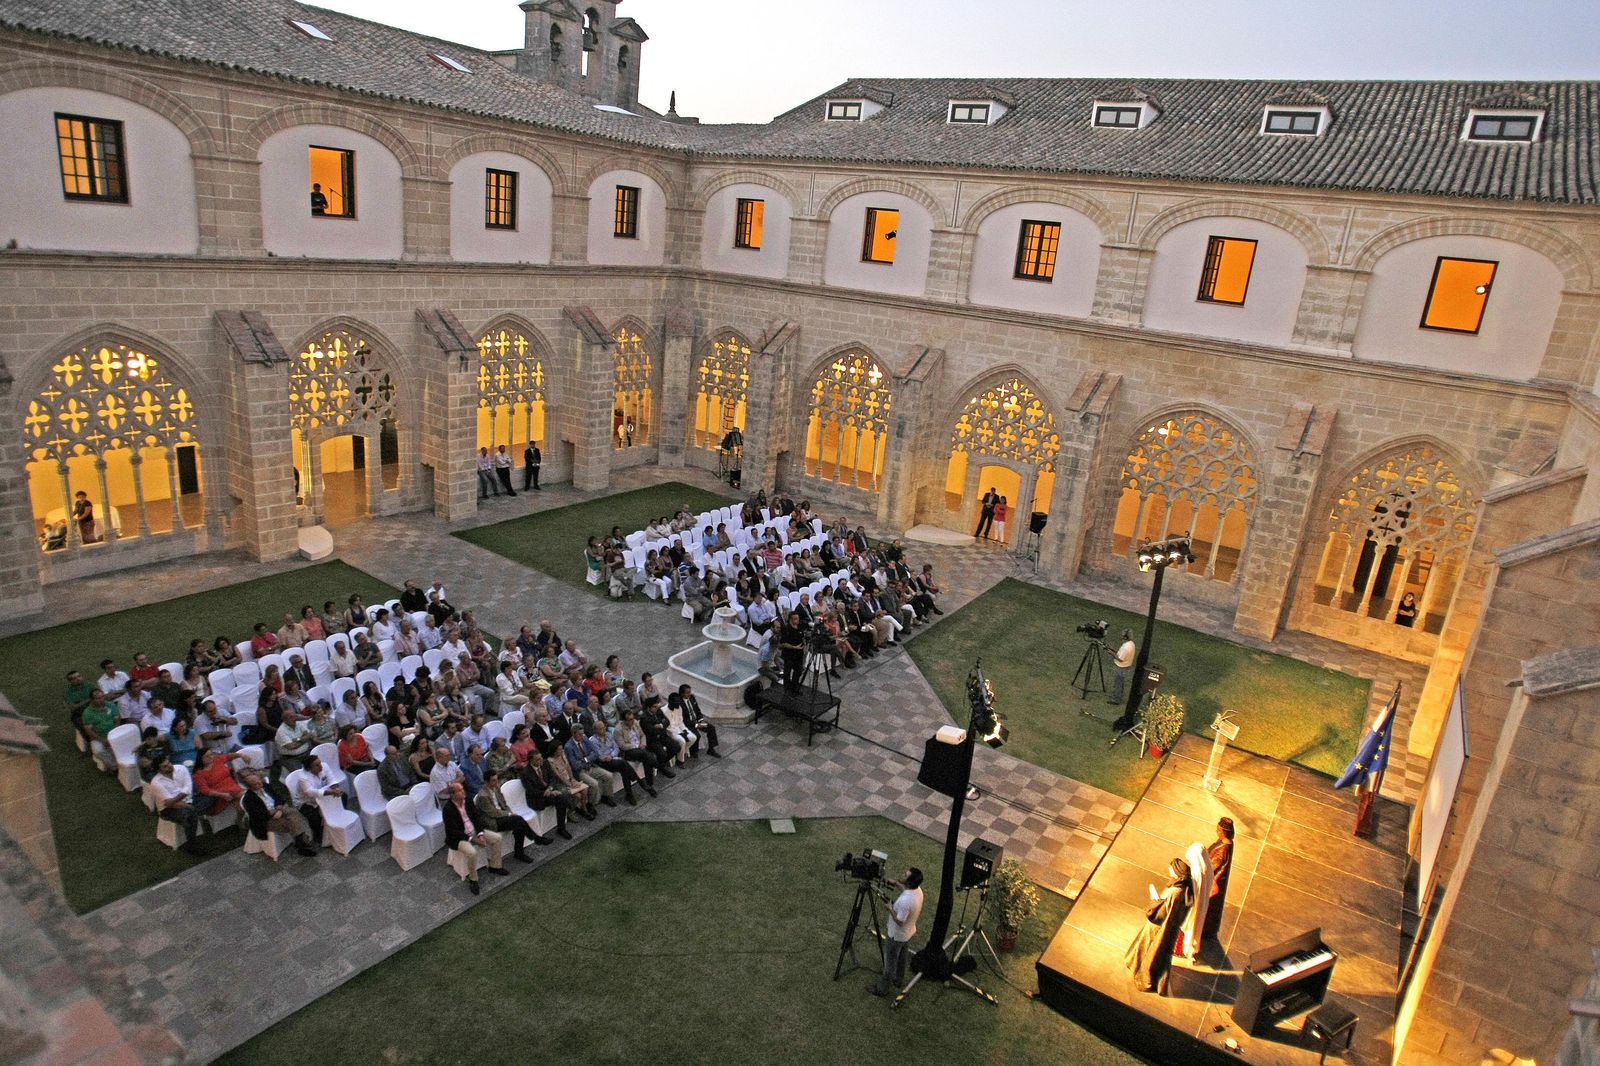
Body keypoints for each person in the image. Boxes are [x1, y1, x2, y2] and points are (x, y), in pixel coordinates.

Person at [1124, 857, 1194, 994]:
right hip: (1169, 928)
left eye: (1171, 868)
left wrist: (1154, 900)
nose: (1169, 870)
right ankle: (1136, 964)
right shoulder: (1184, 888)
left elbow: (1161, 912)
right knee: (1156, 951)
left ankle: (1143, 974)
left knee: (1149, 949)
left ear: (1177, 872)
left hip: (1158, 927)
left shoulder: (1175, 892)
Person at [441, 780, 507, 895]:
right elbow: (454, 831)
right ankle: (473, 879)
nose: (463, 792)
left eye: (463, 789)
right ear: (453, 795)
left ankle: (495, 866)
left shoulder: (468, 801)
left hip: (475, 831)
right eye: (460, 791)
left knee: (497, 838)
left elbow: (477, 818)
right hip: (460, 838)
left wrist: (480, 834)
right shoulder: (448, 810)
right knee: (471, 852)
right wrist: (473, 839)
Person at [870, 868, 924, 997]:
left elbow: (900, 921)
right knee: (902, 958)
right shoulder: (918, 891)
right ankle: (898, 980)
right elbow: (906, 890)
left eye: (905, 875)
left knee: (890, 963)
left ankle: (882, 989)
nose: (903, 874)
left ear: (909, 882)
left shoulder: (906, 901)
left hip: (897, 935)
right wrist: (895, 883)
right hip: (907, 933)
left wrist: (890, 908)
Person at [475, 766, 548, 857]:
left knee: (518, 823)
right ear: (486, 782)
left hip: (502, 815)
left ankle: (521, 850)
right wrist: (509, 814)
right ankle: (534, 839)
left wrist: (509, 812)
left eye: (496, 779)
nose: (496, 782)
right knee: (518, 821)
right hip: (492, 821)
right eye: (493, 780)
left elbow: (504, 804)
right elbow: (493, 813)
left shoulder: (496, 788)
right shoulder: (483, 796)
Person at [242, 772, 319, 856]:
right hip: (267, 820)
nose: (259, 784)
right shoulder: (248, 799)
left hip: (278, 809)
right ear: (249, 787)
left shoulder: (266, 786)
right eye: (255, 784)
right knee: (290, 822)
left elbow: (278, 797)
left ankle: (299, 841)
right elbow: (258, 815)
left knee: (294, 812)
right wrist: (272, 814)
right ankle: (302, 844)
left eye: (259, 781)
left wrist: (279, 808)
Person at [149, 756, 203, 855]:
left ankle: (192, 826)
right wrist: (187, 804)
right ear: (159, 770)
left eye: (169, 763)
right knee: (189, 814)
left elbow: (188, 788)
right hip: (168, 809)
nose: (169, 766)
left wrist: (180, 799)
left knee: (206, 799)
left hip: (189, 799)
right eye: (165, 766)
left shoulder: (181, 768)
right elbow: (169, 804)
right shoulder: (156, 783)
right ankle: (192, 846)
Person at [518, 749, 573, 840]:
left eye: (541, 758)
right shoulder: (525, 773)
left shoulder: (545, 764)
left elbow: (552, 778)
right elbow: (531, 791)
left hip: (548, 792)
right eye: (538, 759)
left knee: (561, 799)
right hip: (537, 798)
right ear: (531, 761)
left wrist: (550, 788)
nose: (541, 761)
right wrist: (547, 793)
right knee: (560, 798)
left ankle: (561, 828)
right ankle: (570, 807)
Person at [1200, 818, 1234, 942]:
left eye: (1218, 829)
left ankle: (1205, 930)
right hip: (1215, 881)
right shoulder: (1224, 842)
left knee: (1209, 908)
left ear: (1223, 831)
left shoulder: (1223, 849)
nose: (1216, 831)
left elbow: (1212, 866)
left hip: (1214, 883)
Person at [676, 684, 721, 757]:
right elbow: (683, 720)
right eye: (687, 693)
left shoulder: (692, 698)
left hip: (697, 721)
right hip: (688, 724)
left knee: (711, 728)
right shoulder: (679, 703)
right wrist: (696, 725)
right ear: (682, 693)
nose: (689, 694)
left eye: (690, 692)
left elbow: (698, 711)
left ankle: (711, 749)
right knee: (697, 735)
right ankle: (694, 751)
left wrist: (701, 720)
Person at [778, 611, 807, 691]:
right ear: (790, 620)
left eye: (797, 619)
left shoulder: (799, 627)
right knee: (787, 672)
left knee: (798, 670)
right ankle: (786, 688)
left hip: (799, 654)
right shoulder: (786, 629)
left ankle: (794, 685)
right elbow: (783, 644)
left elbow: (802, 636)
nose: (797, 621)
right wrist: (794, 647)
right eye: (795, 619)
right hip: (789, 655)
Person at [1108, 629, 1136, 705]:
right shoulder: (1131, 644)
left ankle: (1116, 699)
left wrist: (1111, 653)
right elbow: (1120, 653)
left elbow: (1120, 659)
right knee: (1120, 682)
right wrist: (1113, 649)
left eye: (1123, 635)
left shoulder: (1126, 647)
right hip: (1125, 666)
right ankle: (1117, 696)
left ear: (1126, 637)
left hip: (1121, 667)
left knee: (1118, 683)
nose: (1121, 636)